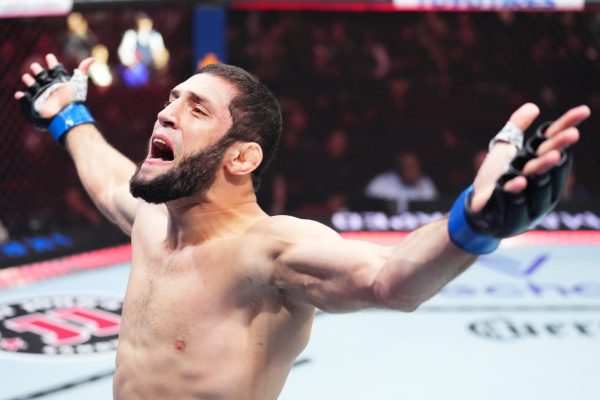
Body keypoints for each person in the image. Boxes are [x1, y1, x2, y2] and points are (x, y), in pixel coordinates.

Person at [15, 54, 589, 399]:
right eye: (172, 99)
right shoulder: (153, 220)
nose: (166, 111)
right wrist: (70, 115)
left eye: (196, 109)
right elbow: (109, 179)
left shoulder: (268, 252)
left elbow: (388, 279)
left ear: (242, 159)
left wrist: (475, 222)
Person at [365, 150, 439, 213]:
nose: (412, 171)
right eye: (408, 166)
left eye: (414, 166)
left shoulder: (426, 184)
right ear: (399, 167)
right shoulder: (380, 184)